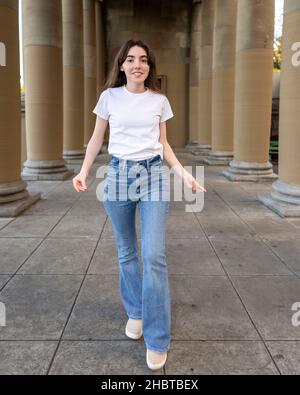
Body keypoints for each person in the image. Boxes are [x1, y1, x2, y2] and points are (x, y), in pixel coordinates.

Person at [72, 39, 206, 371]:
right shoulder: (109, 98)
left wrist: (184, 175)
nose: (137, 64)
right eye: (130, 59)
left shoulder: (159, 100)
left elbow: (164, 144)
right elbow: (96, 138)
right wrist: (84, 171)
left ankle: (158, 337)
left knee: (154, 256)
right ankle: (136, 311)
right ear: (121, 66)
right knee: (126, 250)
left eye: (143, 60)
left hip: (153, 176)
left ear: (149, 66)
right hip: (117, 175)